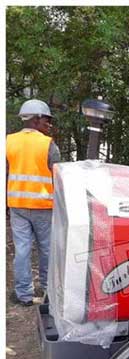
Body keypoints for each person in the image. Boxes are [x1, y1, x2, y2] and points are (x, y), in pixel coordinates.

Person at [6, 99, 60, 306]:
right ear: (36, 119)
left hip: (17, 205)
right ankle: (48, 291)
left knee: (22, 250)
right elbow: (58, 177)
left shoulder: (8, 141)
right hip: (43, 206)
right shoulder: (48, 144)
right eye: (46, 119)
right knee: (47, 250)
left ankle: (24, 295)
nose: (48, 124)